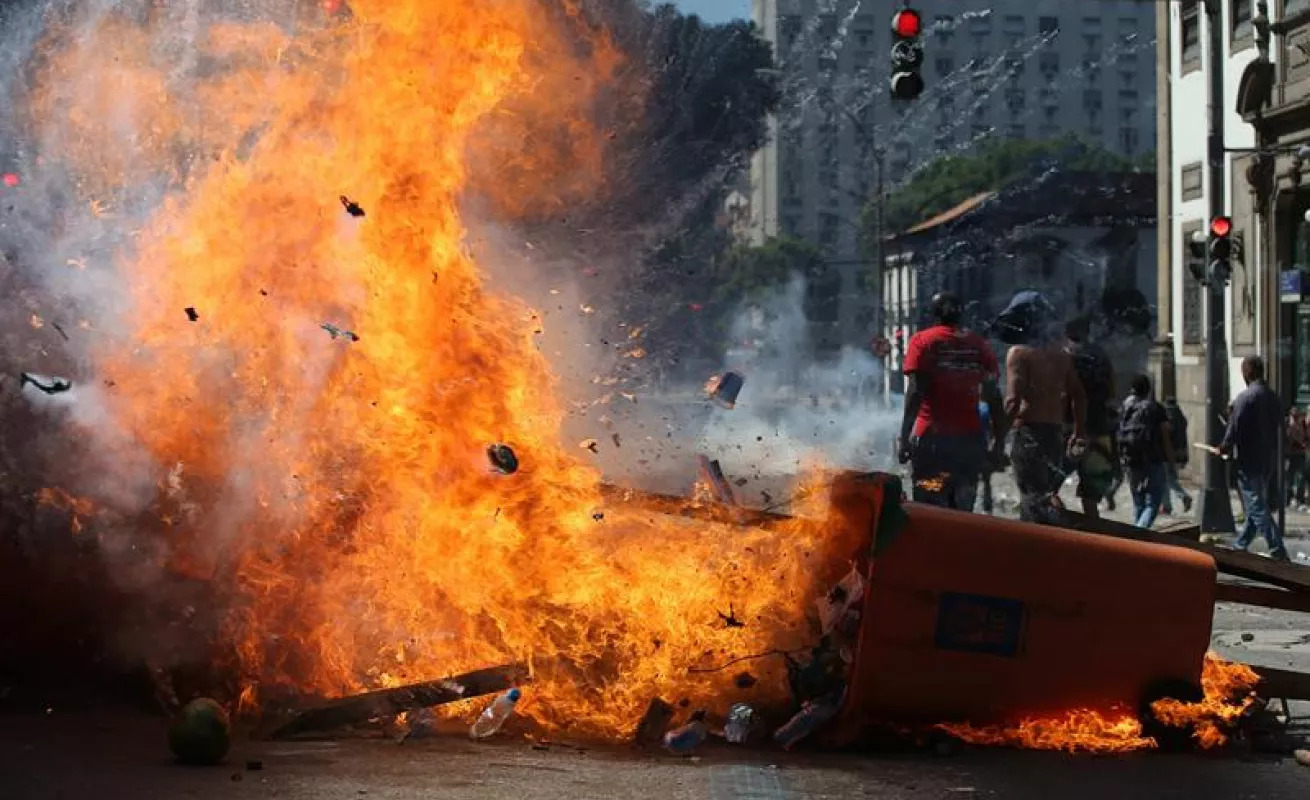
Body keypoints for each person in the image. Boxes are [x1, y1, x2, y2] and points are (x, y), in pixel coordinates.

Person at [898, 292, 1007, 511]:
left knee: (929, 511)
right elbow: (994, 396)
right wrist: (999, 443)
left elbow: (916, 392)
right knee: (962, 512)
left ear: (933, 314)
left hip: (931, 441)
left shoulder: (922, 341)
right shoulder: (979, 345)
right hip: (969, 443)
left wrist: (904, 437)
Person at [994, 291, 1086, 524]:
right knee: (1045, 495)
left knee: (1031, 499)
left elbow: (1013, 401)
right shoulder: (1062, 356)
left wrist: (998, 440)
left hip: (1029, 434)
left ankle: (1033, 543)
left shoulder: (1019, 354)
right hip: (1054, 434)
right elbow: (1078, 394)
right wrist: (1078, 432)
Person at [1218, 356, 1289, 560]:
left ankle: (1277, 548)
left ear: (1248, 373)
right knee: (1254, 503)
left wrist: (1225, 445)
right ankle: (1240, 544)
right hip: (1267, 457)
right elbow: (1281, 425)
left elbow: (1234, 426)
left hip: (1248, 458)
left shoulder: (1245, 398)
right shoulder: (1272, 396)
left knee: (1256, 505)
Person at [1063, 316, 1116, 518]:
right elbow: (1111, 391)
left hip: (1068, 429)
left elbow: (1063, 394)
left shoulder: (1064, 356)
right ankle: (1092, 529)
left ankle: (1060, 528)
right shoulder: (1102, 356)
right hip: (1099, 429)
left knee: (1047, 488)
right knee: (1091, 496)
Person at [1117, 374, 1175, 528]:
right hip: (1152, 460)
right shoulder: (1155, 408)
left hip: (1131, 461)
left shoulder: (1127, 408)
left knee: (1139, 503)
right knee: (1153, 503)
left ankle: (1135, 534)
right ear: (1149, 390)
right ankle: (1138, 535)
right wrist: (1171, 460)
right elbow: (1165, 436)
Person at [1161, 397, 1193, 516]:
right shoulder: (1181, 417)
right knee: (1169, 478)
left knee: (1166, 479)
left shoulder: (1168, 416)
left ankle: (1180, 498)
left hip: (1167, 452)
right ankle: (1167, 505)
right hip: (1180, 453)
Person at [1286, 407, 1309, 508]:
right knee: (1289, 477)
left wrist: (1303, 444)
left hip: (1300, 454)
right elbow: (1287, 440)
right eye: (1293, 416)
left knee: (1300, 477)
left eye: (1297, 416)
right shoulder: (1288, 426)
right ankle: (1288, 499)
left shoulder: (1302, 425)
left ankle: (1299, 499)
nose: (1295, 419)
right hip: (1289, 454)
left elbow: (1305, 438)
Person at [978, 399, 995, 514]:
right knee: (986, 479)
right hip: (982, 446)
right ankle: (987, 508)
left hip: (969, 446)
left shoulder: (983, 407)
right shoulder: (984, 407)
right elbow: (990, 430)